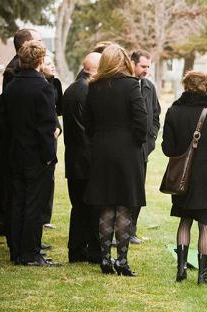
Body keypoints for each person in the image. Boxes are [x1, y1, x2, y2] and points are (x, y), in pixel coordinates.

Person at [82, 44, 148, 276]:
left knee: (106, 204)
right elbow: (142, 120)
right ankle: (121, 260)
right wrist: (137, 142)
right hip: (126, 150)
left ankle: (105, 258)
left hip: (101, 149)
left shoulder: (94, 86)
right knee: (124, 205)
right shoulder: (131, 85)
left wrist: (99, 139)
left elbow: (87, 122)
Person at [162, 70, 207, 284]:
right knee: (205, 225)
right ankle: (202, 275)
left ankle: (181, 269)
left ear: (185, 86)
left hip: (183, 177)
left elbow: (167, 149)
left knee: (184, 222)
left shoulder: (173, 111)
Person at [0, 41, 60, 267]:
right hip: (36, 155)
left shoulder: (12, 85)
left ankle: (16, 250)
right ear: (39, 60)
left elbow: (4, 122)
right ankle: (30, 253)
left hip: (15, 152)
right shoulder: (43, 87)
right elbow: (45, 126)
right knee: (34, 204)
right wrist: (48, 154)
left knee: (17, 202)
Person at [63, 51, 102, 263]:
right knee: (91, 207)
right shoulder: (88, 92)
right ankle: (91, 251)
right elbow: (88, 129)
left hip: (75, 157)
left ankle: (77, 249)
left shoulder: (73, 89)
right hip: (87, 159)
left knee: (78, 208)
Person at [128, 50, 162, 245]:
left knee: (138, 190)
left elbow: (155, 113)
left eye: (149, 67)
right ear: (133, 64)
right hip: (126, 147)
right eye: (143, 66)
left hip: (144, 148)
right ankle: (119, 230)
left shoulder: (149, 86)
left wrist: (152, 136)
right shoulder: (125, 85)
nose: (146, 71)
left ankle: (131, 230)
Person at [39, 53, 62, 231]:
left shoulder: (55, 83)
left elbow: (58, 110)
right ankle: (39, 217)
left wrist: (58, 127)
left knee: (50, 175)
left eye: (52, 63)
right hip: (42, 133)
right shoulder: (40, 85)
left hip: (53, 130)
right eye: (48, 63)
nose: (52, 66)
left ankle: (46, 216)